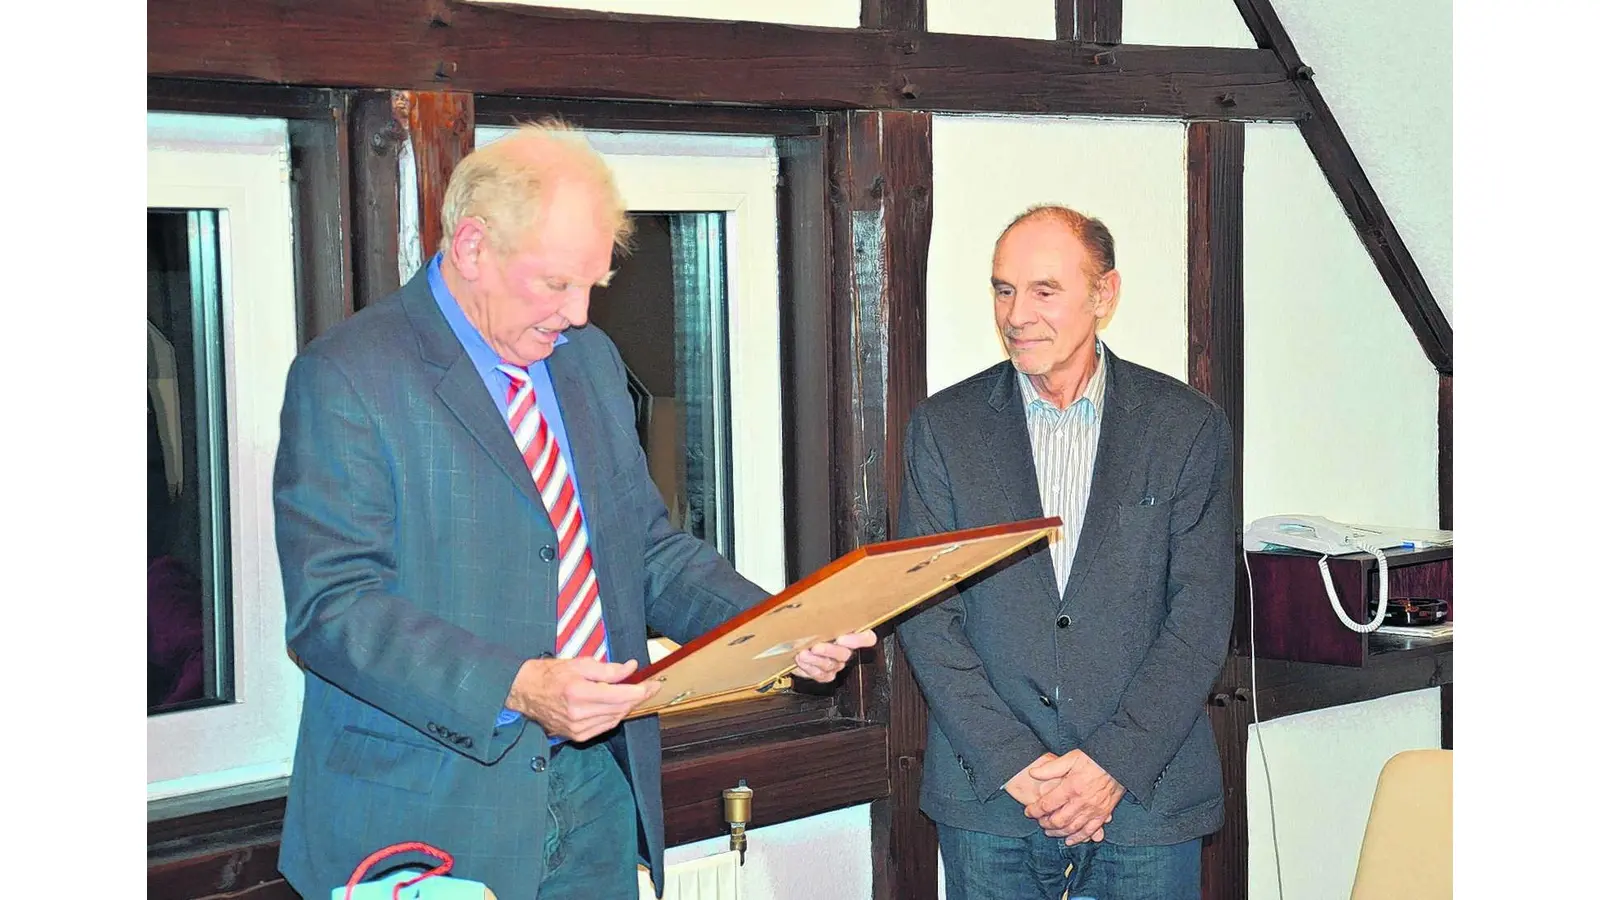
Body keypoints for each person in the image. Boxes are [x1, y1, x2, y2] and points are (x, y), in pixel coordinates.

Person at [271, 121, 875, 900]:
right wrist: (515, 686)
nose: (580, 313)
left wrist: (780, 628)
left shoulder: (585, 360)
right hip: (429, 811)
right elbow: (333, 610)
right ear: (472, 247)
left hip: (596, 791)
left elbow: (646, 551)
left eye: (593, 284)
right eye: (556, 283)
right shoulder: (350, 375)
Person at [895, 205, 1234, 900]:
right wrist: (1017, 763)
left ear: (1104, 295)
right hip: (991, 800)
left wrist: (1109, 764)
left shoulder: (1186, 428)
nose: (1018, 314)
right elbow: (927, 617)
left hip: (1147, 800)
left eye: (1044, 291)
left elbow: (1199, 619)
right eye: (1003, 289)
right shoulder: (944, 430)